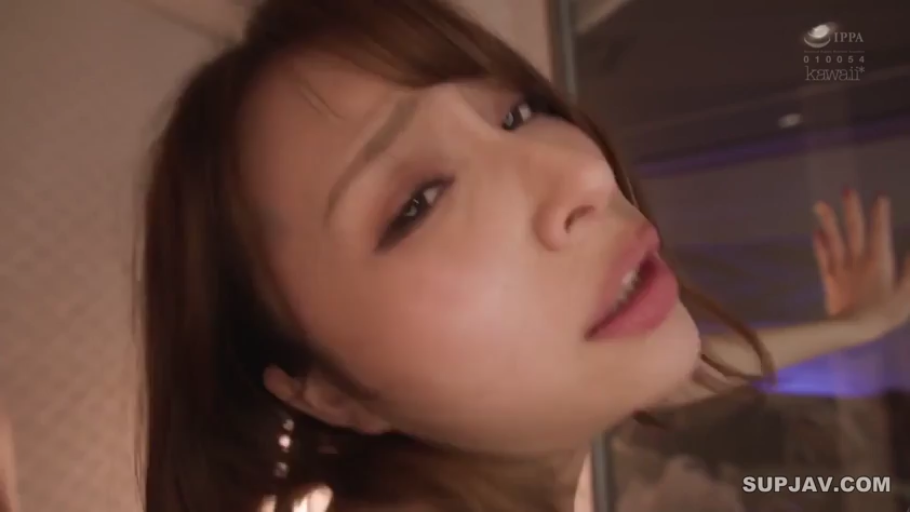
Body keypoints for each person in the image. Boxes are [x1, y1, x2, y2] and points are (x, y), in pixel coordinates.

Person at [139, 1, 910, 511]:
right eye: (419, 202)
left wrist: (857, 325)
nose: (585, 174)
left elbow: (686, 371)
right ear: (328, 394)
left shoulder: (512, 435)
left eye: (520, 113)